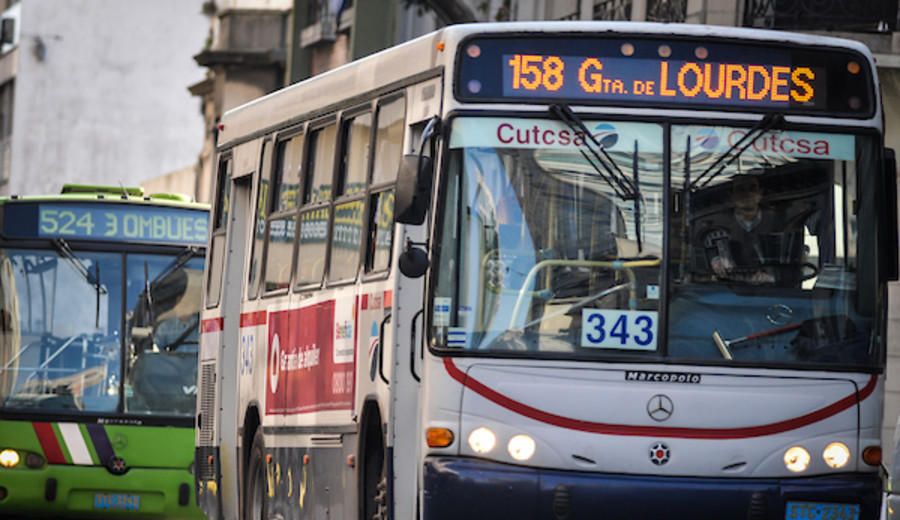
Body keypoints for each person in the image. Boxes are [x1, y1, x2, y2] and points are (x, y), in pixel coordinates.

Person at [705, 174, 800, 285]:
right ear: (732, 196)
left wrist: (771, 277)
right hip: (729, 291)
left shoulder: (779, 224)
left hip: (772, 293)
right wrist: (715, 261)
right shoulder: (717, 224)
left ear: (760, 194)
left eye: (752, 188)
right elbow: (704, 251)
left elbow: (792, 264)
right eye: (740, 190)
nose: (747, 193)